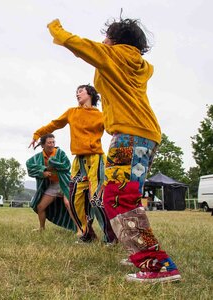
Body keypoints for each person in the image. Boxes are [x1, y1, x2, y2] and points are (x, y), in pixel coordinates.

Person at [46, 18, 181, 283]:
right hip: (144, 134)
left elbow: (79, 45)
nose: (104, 42)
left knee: (117, 198)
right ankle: (140, 251)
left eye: (107, 37)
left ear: (115, 40)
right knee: (124, 195)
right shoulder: (138, 64)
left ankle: (156, 265)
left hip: (129, 135)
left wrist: (55, 28)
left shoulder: (113, 55)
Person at [29, 85, 116, 245]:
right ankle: (87, 234)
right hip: (78, 161)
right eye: (76, 92)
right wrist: (37, 134)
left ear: (90, 94)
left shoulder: (101, 115)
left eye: (80, 91)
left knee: (96, 199)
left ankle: (110, 238)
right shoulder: (72, 112)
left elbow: (114, 129)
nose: (77, 94)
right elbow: (54, 124)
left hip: (95, 159)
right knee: (74, 199)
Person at [26, 133, 77, 232]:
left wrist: (54, 163)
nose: (52, 144)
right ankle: (42, 228)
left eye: (53, 142)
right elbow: (29, 165)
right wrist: (42, 171)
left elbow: (67, 166)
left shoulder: (60, 153)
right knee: (40, 207)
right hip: (53, 185)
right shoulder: (39, 157)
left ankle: (80, 229)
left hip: (65, 183)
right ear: (43, 145)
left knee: (68, 204)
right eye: (49, 142)